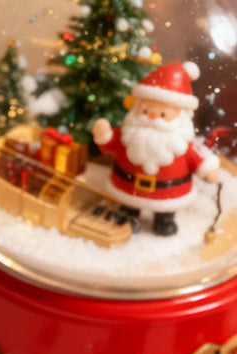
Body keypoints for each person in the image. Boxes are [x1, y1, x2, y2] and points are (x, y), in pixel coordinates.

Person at [91, 61, 220, 236]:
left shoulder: (180, 141)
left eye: (162, 114)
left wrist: (207, 169)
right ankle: (129, 214)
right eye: (145, 110)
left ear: (180, 116)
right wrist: (104, 133)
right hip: (129, 188)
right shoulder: (129, 132)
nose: (152, 117)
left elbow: (197, 157)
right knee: (128, 206)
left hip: (168, 192)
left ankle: (164, 219)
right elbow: (110, 143)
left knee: (166, 210)